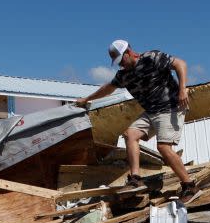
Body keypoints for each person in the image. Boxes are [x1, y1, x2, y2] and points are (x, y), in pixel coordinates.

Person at [75, 40, 198, 199]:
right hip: (152, 111)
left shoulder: (151, 57)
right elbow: (108, 88)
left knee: (163, 147)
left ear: (128, 53)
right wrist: (87, 99)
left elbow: (180, 64)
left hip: (171, 106)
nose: (121, 65)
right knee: (130, 134)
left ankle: (189, 185)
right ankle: (135, 179)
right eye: (117, 63)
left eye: (121, 60)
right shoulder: (124, 75)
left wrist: (182, 89)